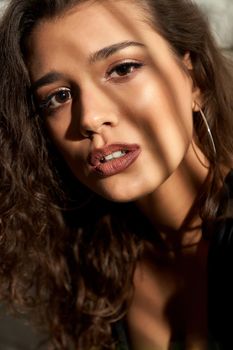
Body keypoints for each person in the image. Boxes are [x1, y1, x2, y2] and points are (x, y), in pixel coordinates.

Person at [0, 0, 233, 349]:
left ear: (195, 78)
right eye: (58, 97)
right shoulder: (88, 267)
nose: (89, 118)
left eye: (122, 69)